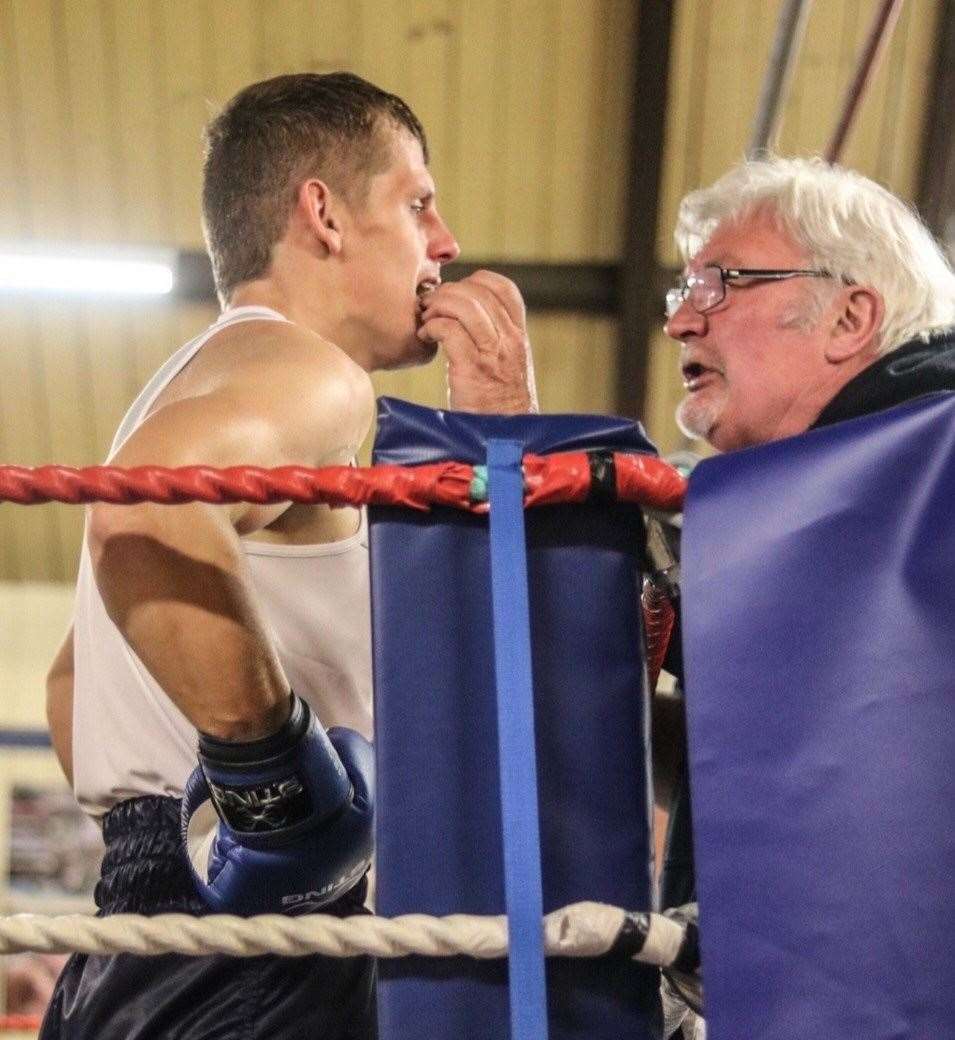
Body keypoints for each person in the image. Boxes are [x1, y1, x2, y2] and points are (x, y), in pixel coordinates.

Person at [40, 71, 537, 1040]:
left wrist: (180, 833)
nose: (446, 242)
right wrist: (276, 793)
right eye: (418, 201)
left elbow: (72, 682)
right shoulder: (314, 376)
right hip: (254, 948)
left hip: (146, 934)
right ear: (324, 213)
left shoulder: (199, 379)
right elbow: (146, 518)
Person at [654, 154, 955, 1039]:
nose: (678, 319)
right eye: (683, 286)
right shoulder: (825, 526)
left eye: (721, 282)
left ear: (849, 316)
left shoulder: (928, 465)